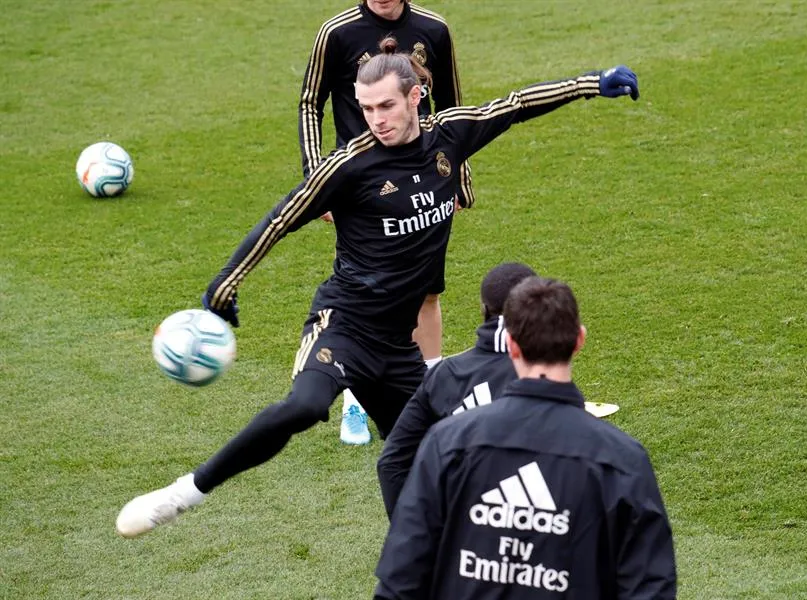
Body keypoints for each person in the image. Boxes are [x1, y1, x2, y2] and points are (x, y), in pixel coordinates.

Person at [115, 37, 640, 538]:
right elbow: (280, 219)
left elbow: (515, 104)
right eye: (366, 109)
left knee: (441, 454)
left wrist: (593, 83)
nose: (376, 120)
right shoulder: (349, 165)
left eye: (386, 106)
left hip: (398, 348)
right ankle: (184, 494)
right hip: (343, 326)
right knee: (303, 407)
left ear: (415, 97)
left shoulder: (450, 136)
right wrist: (225, 284)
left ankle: (428, 556)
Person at [373, 277, 676, 599]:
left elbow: (398, 582)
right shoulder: (623, 459)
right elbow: (650, 588)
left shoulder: (446, 442)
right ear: (579, 340)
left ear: (512, 344)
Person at [299, 0, 474, 445]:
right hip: (360, 185)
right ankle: (357, 403)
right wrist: (317, 177)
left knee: (426, 290)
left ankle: (428, 389)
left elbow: (453, 105)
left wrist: (457, 178)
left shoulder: (434, 28)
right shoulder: (336, 32)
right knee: (373, 289)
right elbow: (308, 104)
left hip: (424, 174)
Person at [378, 261, 536, 518]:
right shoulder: (543, 374)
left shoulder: (444, 374)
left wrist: (411, 536)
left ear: (483, 309)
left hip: (456, 537)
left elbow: (391, 464)